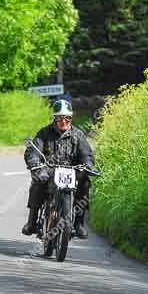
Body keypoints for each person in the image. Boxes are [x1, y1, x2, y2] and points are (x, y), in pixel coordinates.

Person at [22, 99, 95, 239]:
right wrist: (35, 164)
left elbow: (87, 154)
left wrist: (88, 165)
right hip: (49, 170)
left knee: (85, 182)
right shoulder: (44, 133)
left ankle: (79, 223)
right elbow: (33, 152)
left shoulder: (78, 135)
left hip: (72, 170)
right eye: (60, 118)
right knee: (37, 182)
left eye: (68, 118)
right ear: (54, 118)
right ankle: (32, 222)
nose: (64, 121)